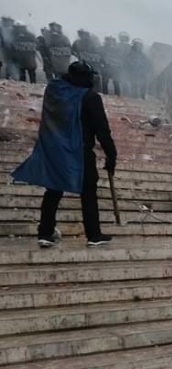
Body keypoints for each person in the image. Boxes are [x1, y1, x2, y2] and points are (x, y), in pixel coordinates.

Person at [11, 61, 117, 248]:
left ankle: (45, 232)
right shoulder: (90, 98)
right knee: (88, 192)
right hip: (80, 150)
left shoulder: (54, 91)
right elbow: (102, 130)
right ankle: (93, 234)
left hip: (55, 149)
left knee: (53, 189)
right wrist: (111, 155)